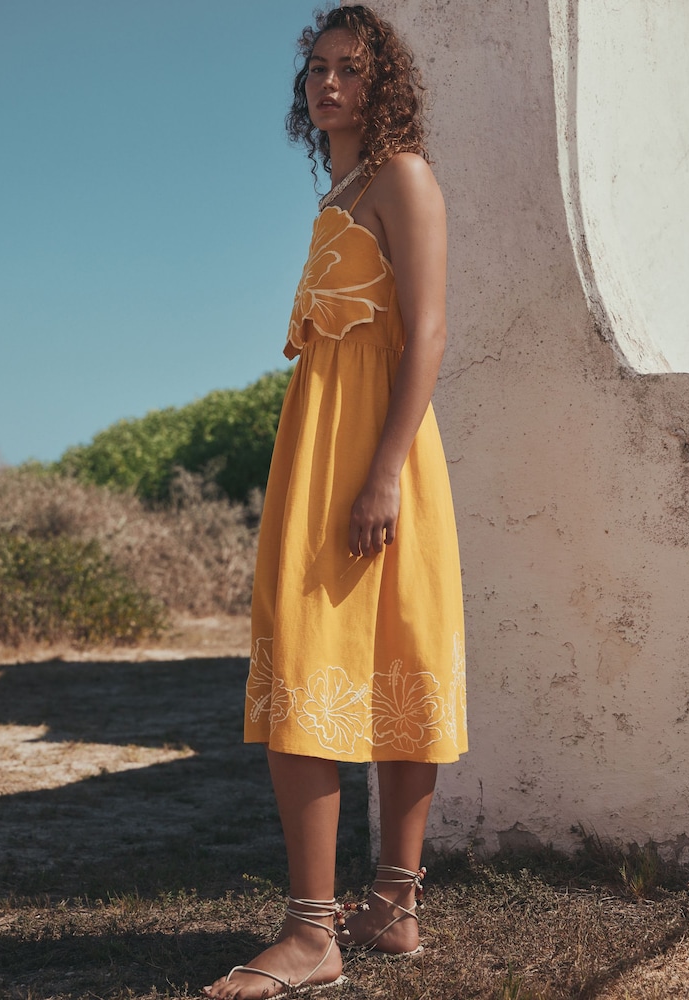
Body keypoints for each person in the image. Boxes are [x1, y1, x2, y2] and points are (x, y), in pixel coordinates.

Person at [204, 6, 467, 998]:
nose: (327, 84)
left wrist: (386, 470)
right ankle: (386, 911)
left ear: (382, 84)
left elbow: (428, 330)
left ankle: (318, 931)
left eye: (350, 70)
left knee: (375, 653)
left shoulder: (404, 177)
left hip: (376, 452)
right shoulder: (338, 194)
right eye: (316, 69)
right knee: (331, 652)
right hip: (318, 446)